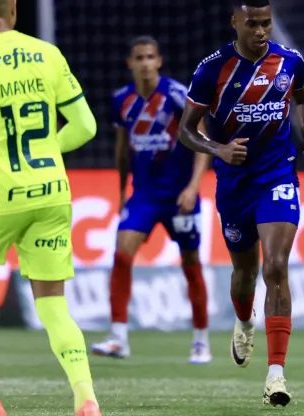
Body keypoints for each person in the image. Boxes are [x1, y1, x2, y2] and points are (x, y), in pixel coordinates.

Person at [0, 0, 101, 415]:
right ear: (14, 8)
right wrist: (48, 150)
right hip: (51, 191)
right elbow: (86, 126)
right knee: (52, 304)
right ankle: (86, 399)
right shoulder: (48, 54)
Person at [178, 0, 304, 407]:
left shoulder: (290, 62)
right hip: (234, 184)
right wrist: (219, 149)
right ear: (235, 23)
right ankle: (244, 321)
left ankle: (275, 374)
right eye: (253, 24)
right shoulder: (212, 70)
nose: (261, 32)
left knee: (276, 265)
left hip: (277, 174)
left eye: (267, 23)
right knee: (245, 272)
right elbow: (186, 131)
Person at [90, 36, 212, 365]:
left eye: (150, 57)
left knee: (191, 264)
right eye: (139, 58)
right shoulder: (121, 100)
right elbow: (121, 151)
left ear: (159, 61)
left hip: (179, 197)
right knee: (121, 254)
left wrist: (193, 186)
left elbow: (202, 140)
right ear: (130, 63)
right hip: (143, 195)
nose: (145, 63)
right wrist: (120, 192)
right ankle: (118, 337)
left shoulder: (176, 95)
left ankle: (201, 339)